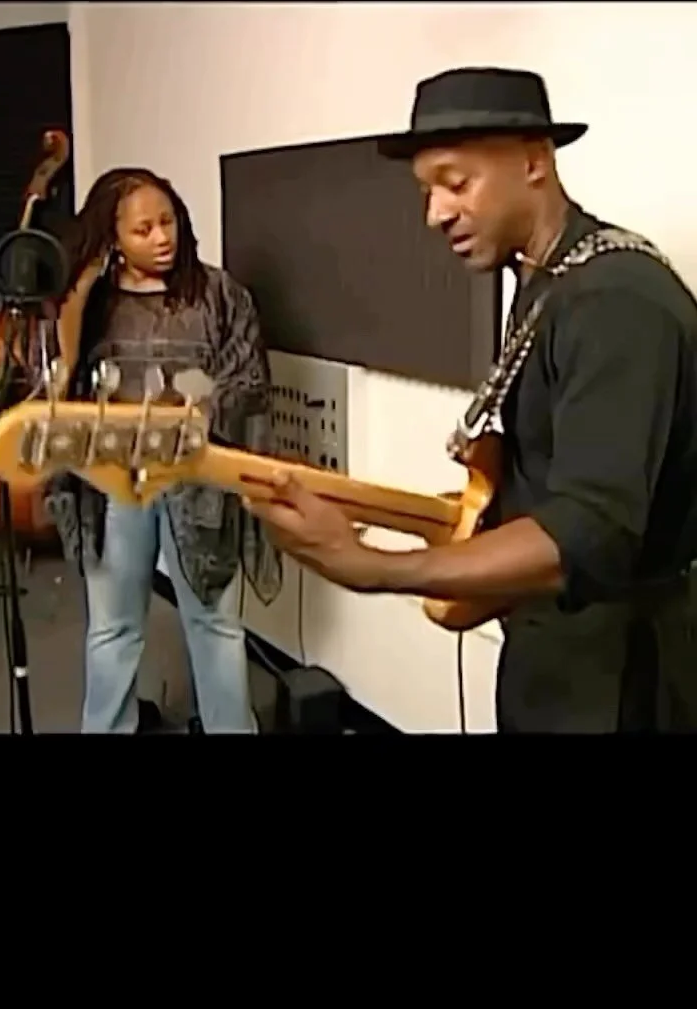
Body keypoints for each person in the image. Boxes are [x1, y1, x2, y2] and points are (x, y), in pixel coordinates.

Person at [242, 67, 697, 733]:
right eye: (427, 191)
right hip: (555, 660)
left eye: (457, 184)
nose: (435, 213)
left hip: (620, 684)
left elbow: (589, 531)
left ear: (534, 161)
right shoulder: (548, 279)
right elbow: (548, 475)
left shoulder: (614, 302)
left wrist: (376, 567)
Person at [44, 168, 280, 734]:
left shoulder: (219, 294)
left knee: (215, 623)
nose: (161, 238)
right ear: (113, 237)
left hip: (197, 479)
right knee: (113, 628)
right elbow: (64, 384)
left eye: (167, 221)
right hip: (114, 483)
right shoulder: (94, 305)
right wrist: (76, 297)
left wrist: (195, 413)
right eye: (142, 229)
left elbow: (250, 380)